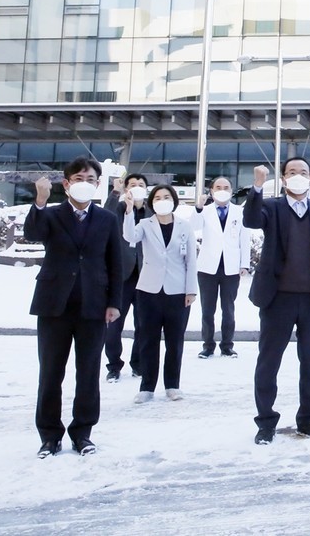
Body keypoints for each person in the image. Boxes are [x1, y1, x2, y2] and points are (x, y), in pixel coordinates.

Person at [24, 158, 123, 458]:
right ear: (66, 184)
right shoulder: (52, 215)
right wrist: (40, 200)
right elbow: (33, 233)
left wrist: (114, 303)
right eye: (79, 177)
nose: (85, 182)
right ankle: (50, 435)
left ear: (97, 184)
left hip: (93, 306)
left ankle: (83, 432)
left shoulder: (107, 219)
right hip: (54, 304)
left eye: (91, 178)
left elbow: (115, 263)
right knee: (51, 373)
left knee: (89, 371)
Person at [244, 158, 310, 444]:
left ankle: (308, 419)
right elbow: (251, 220)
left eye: (302, 172)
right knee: (269, 361)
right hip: (277, 299)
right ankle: (265, 421)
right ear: (283, 179)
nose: (296, 177)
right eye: (290, 172)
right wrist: (257, 187)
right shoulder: (272, 207)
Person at [123, 185, 198, 403]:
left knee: (175, 341)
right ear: (151, 201)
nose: (162, 200)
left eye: (166, 197)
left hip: (178, 291)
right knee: (148, 339)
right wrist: (128, 209)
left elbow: (191, 260)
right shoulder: (145, 224)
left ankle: (172, 385)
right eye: (158, 197)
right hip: (149, 290)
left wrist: (191, 290)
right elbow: (129, 236)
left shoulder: (185, 226)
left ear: (174, 200)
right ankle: (147, 386)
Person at [195, 177, 250, 359]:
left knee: (228, 308)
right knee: (207, 309)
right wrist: (198, 208)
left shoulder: (239, 212)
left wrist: (244, 264)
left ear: (231, 190)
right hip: (207, 267)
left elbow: (244, 238)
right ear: (211, 191)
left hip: (231, 267)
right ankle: (208, 345)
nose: (222, 189)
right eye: (218, 187)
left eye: (226, 187)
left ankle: (227, 345)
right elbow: (193, 227)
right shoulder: (205, 211)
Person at [105, 172, 147, 382]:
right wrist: (116, 192)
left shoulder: (152, 212)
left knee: (143, 324)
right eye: (133, 184)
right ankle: (113, 365)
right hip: (122, 276)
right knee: (114, 326)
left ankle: (138, 364)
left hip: (145, 276)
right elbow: (105, 216)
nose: (137, 187)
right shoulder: (119, 210)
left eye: (141, 184)